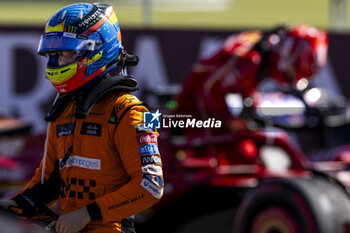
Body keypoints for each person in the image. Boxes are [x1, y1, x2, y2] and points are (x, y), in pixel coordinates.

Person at [0, 3, 163, 233]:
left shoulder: (132, 111)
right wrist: (14, 205)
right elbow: (47, 186)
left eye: (67, 54)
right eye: (54, 55)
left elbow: (151, 186)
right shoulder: (62, 110)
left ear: (96, 50)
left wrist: (88, 214)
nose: (57, 63)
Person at [176, 24, 329, 135]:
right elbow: (208, 89)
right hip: (193, 107)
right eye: (291, 73)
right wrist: (230, 123)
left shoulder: (264, 50)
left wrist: (251, 105)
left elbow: (244, 84)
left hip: (208, 104)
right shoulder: (249, 59)